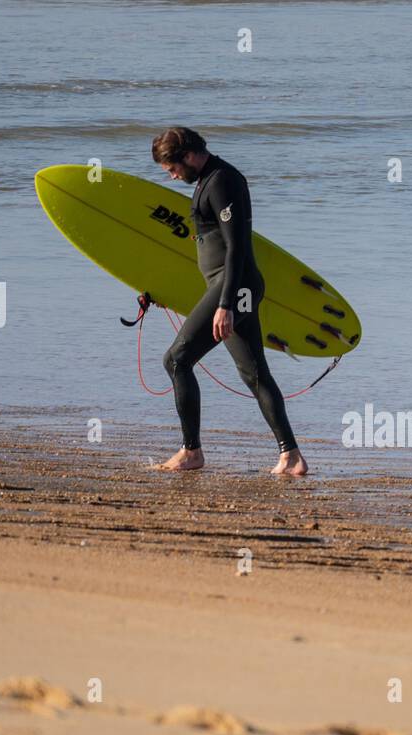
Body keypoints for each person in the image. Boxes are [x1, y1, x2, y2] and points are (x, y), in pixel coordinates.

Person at [150, 126, 307, 476]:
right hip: (236, 289)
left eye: (173, 168)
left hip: (236, 289)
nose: (173, 176)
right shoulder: (208, 180)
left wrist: (225, 304)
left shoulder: (222, 180)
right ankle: (291, 456)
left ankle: (191, 452)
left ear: (189, 155)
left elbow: (237, 247)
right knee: (253, 373)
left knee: (177, 360)